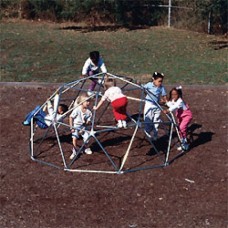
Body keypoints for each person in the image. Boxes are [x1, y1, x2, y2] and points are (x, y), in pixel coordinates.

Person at [163, 86, 193, 151]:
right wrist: (165, 102)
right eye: (172, 94)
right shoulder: (174, 100)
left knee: (182, 128)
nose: (173, 96)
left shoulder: (180, 101)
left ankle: (185, 144)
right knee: (180, 130)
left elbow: (174, 106)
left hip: (186, 116)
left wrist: (168, 110)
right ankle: (183, 144)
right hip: (180, 116)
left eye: (175, 94)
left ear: (179, 94)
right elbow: (171, 104)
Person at [142, 72, 167, 140]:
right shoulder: (149, 85)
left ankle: (155, 135)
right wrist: (146, 94)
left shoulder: (161, 87)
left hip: (157, 105)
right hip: (149, 104)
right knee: (148, 121)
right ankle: (148, 134)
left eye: (161, 81)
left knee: (156, 121)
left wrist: (164, 101)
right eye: (159, 81)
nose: (160, 83)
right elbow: (143, 89)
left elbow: (164, 96)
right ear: (154, 80)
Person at [69, 93, 93, 159]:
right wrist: (71, 127)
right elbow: (71, 117)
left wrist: (87, 122)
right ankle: (74, 151)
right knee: (75, 138)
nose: (88, 103)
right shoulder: (77, 110)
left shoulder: (89, 112)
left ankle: (86, 148)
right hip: (76, 126)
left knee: (87, 138)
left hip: (84, 127)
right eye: (86, 101)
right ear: (82, 102)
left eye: (89, 101)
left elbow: (88, 121)